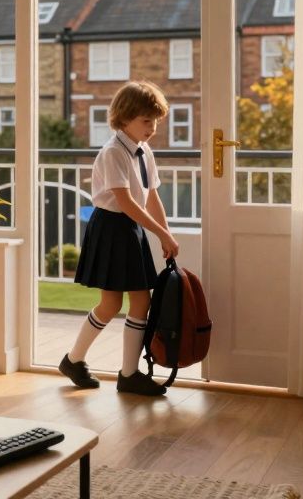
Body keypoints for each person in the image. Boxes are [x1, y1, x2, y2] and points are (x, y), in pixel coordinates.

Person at [59, 80, 179, 397]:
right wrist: (160, 232)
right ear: (124, 118)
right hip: (112, 228)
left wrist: (165, 234)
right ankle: (77, 361)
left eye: (155, 120)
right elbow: (124, 202)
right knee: (111, 303)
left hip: (131, 227)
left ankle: (126, 373)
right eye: (145, 120)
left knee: (140, 301)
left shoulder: (144, 151)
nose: (151, 127)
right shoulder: (113, 152)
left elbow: (152, 197)